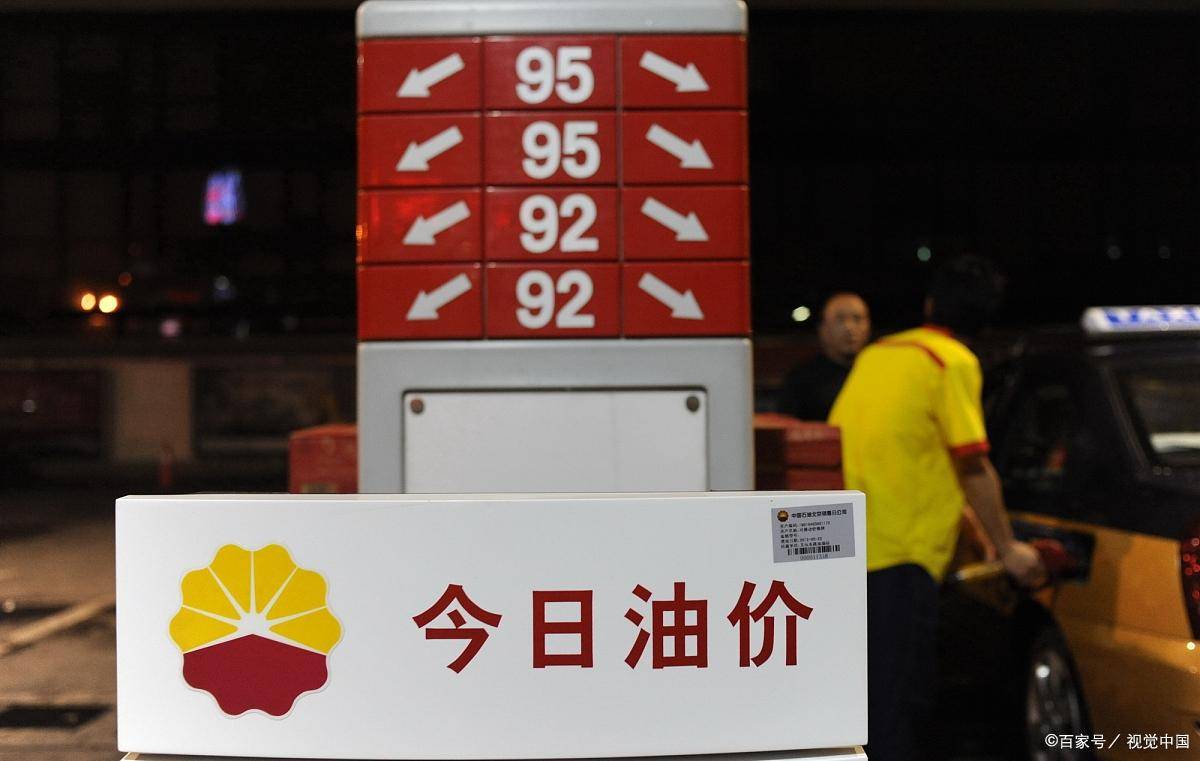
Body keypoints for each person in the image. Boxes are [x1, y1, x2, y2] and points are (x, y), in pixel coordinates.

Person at [828, 255, 1044, 761]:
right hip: (900, 558)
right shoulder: (952, 361)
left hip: (842, 552)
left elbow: (901, 448)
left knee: (861, 704)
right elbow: (973, 464)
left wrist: (966, 522)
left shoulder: (879, 354)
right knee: (897, 709)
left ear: (930, 305)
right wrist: (1008, 548)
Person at [778, 292, 870, 420]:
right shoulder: (801, 380)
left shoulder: (880, 375)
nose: (849, 327)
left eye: (857, 319)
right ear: (822, 329)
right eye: (840, 319)